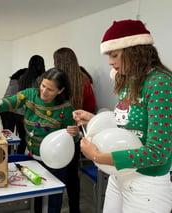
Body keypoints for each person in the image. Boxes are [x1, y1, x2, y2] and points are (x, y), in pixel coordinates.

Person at [73, 19, 172, 212]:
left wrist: (98, 156)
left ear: (135, 51)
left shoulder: (160, 83)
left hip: (146, 184)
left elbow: (158, 153)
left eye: (114, 55)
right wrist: (94, 120)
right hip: (119, 175)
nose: (110, 62)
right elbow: (127, 128)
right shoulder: (128, 80)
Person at [0, 68, 79, 213]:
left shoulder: (66, 109)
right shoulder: (30, 95)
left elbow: (71, 139)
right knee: (35, 199)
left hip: (56, 163)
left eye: (50, 89)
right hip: (33, 158)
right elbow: (9, 102)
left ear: (60, 91)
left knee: (52, 203)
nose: (43, 91)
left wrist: (74, 133)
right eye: (43, 86)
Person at [53, 47, 97, 213]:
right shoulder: (84, 80)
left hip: (55, 133)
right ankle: (74, 209)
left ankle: (54, 207)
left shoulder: (56, 81)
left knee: (54, 174)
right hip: (75, 133)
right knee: (73, 176)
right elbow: (91, 106)